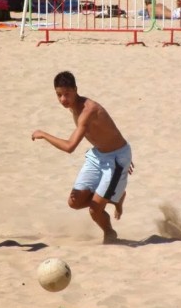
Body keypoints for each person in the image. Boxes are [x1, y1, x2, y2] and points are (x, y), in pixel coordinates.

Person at [31, 71, 133, 244]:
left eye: (67, 94)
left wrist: (43, 134)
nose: (63, 99)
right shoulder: (73, 106)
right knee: (74, 202)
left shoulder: (88, 110)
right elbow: (107, 130)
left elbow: (70, 147)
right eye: (59, 95)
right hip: (98, 154)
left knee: (94, 210)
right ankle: (113, 195)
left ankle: (109, 232)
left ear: (76, 90)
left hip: (116, 159)